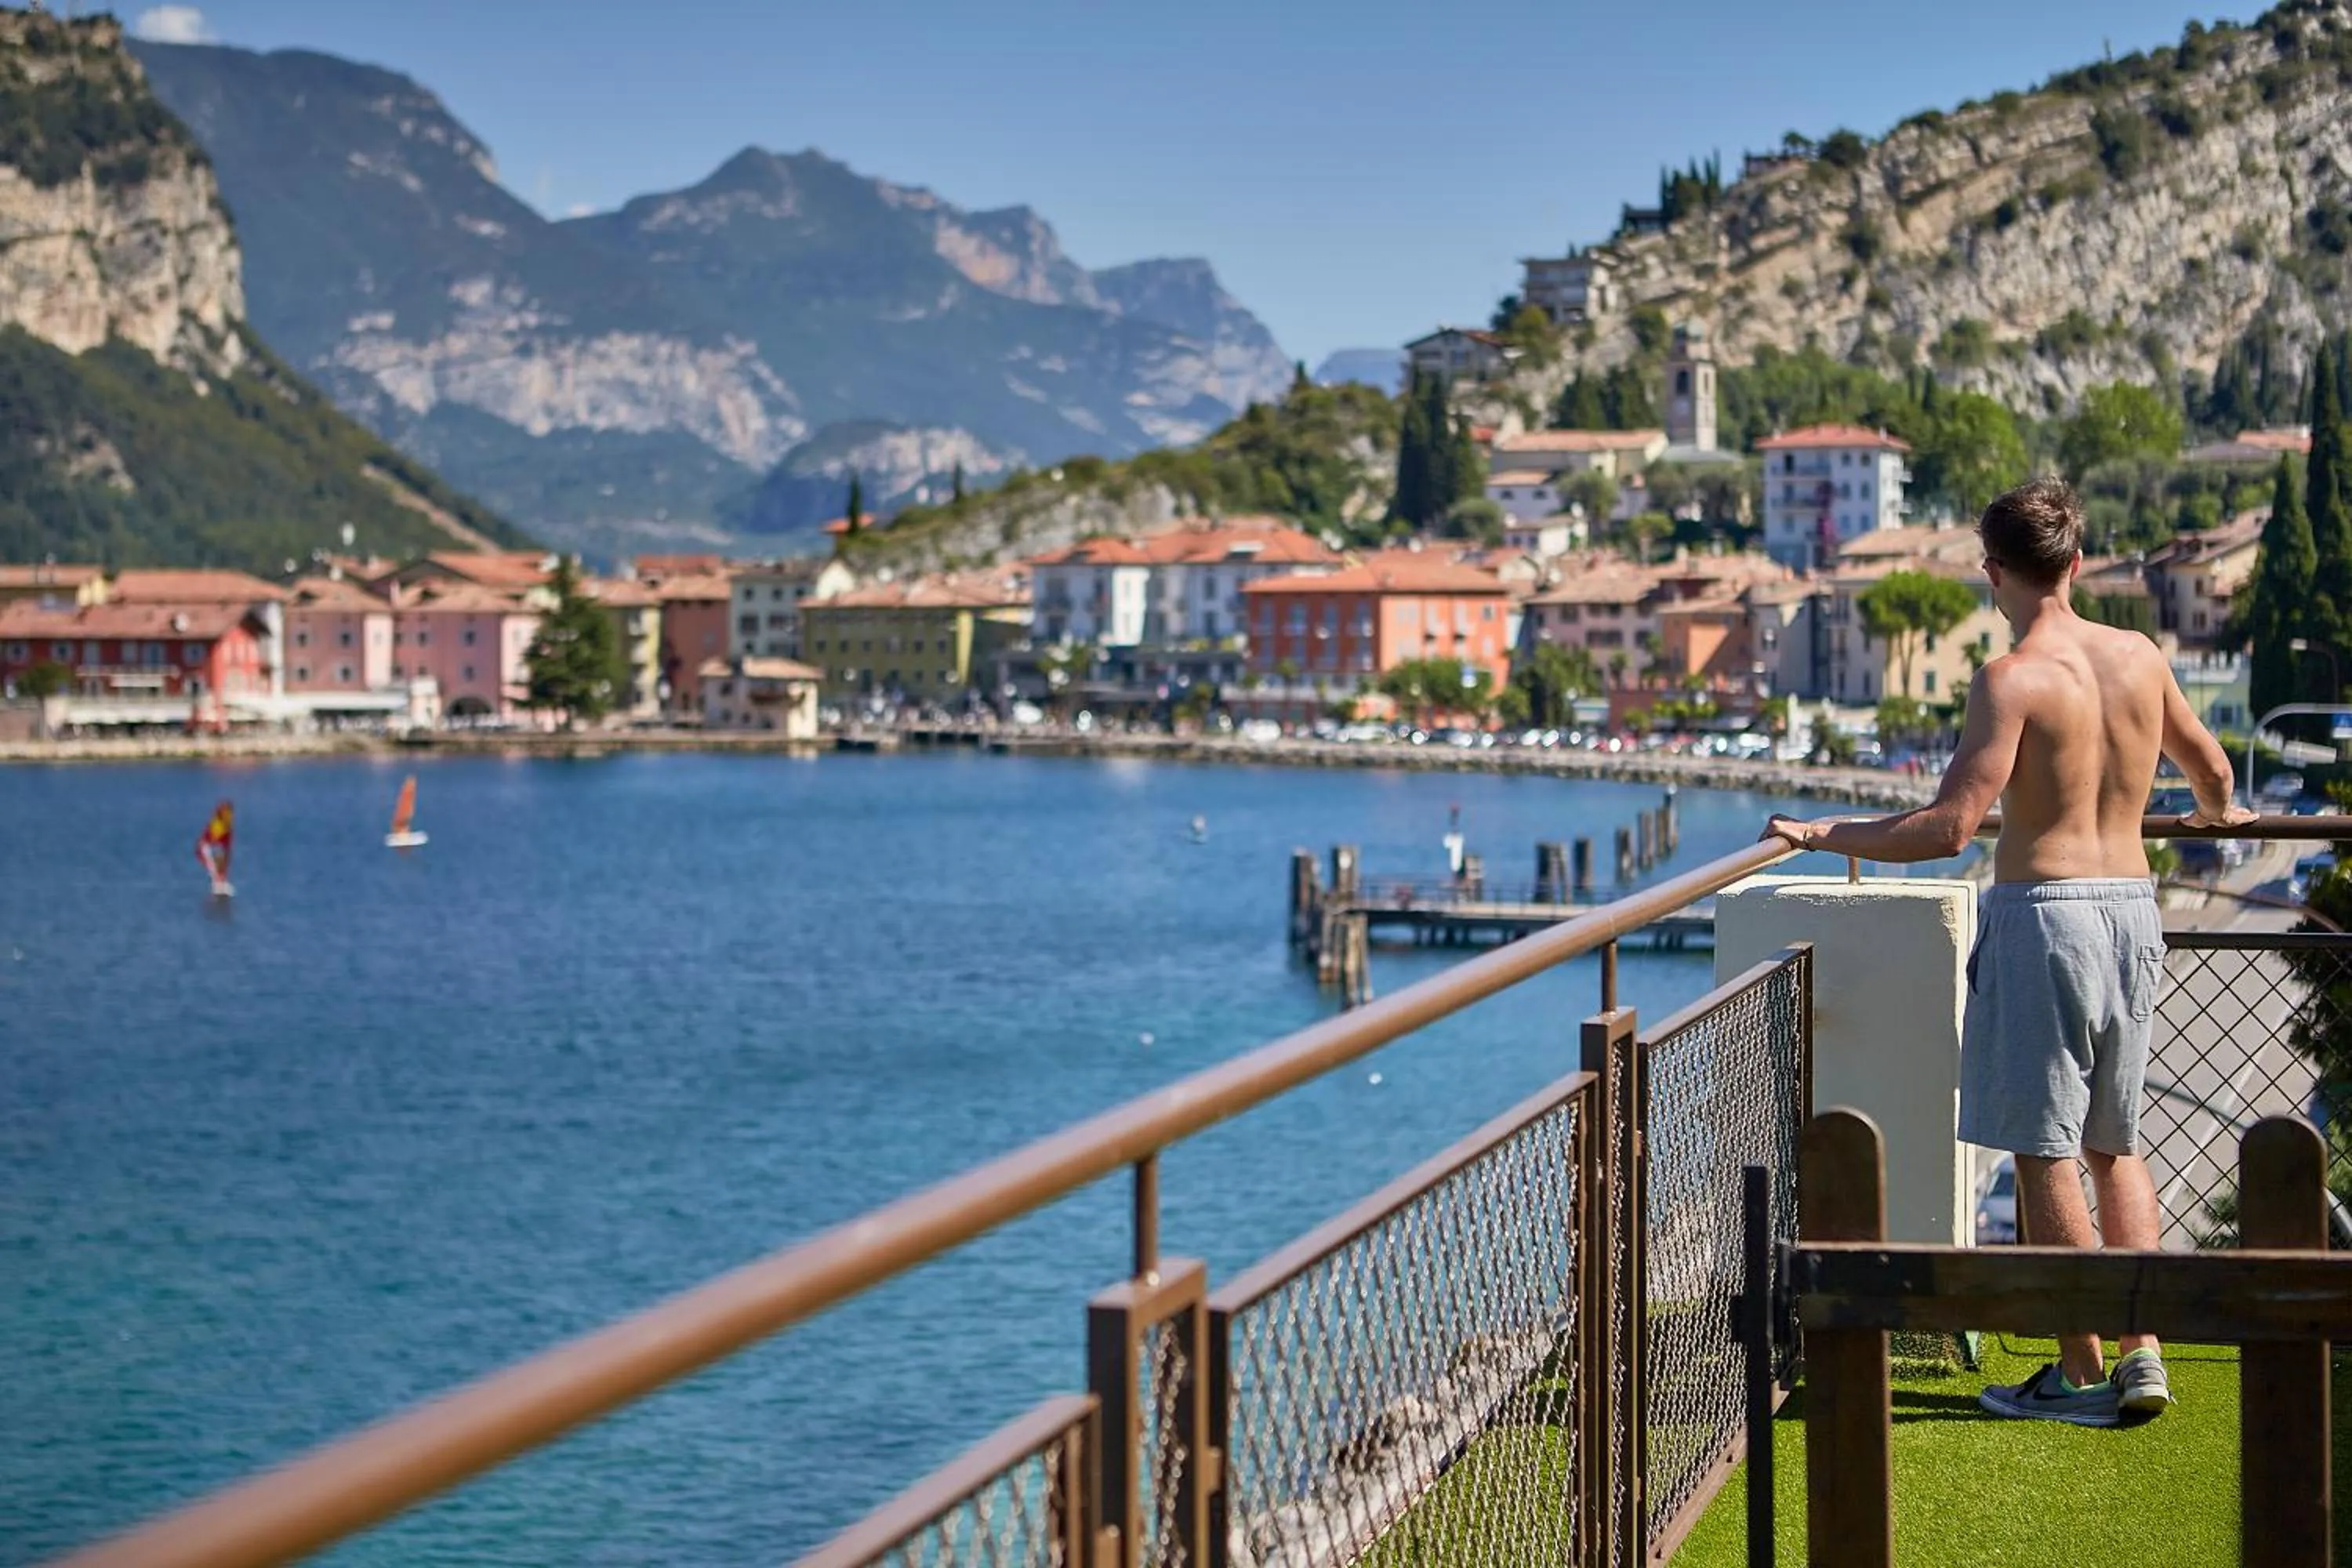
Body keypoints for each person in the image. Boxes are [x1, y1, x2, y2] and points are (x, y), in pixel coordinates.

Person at [1761, 477, 2253, 1428]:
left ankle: (2078, 1371)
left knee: (2043, 1148)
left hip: (2048, 916)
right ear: (2074, 563)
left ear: (1995, 572)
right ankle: (2143, 1350)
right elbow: (2217, 774)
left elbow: (1950, 829)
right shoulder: (2142, 656)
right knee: (2116, 1144)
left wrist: (1825, 832)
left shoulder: (2012, 677)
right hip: (2132, 906)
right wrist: (2213, 814)